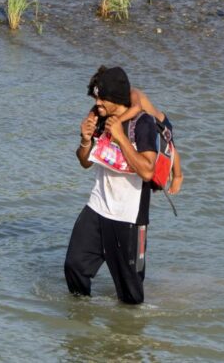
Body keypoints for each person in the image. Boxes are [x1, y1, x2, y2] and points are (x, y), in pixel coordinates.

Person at [65, 66, 157, 304]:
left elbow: (148, 171)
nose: (97, 103)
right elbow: (85, 162)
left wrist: (121, 137)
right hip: (96, 208)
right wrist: (85, 141)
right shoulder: (99, 118)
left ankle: (126, 337)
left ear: (116, 97)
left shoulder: (143, 123)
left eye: (102, 98)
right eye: (95, 97)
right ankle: (81, 324)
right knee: (74, 266)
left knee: (130, 297)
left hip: (129, 218)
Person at [86, 68, 183, 194]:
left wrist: (117, 122)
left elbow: (136, 108)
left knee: (171, 148)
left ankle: (178, 176)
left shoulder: (133, 92)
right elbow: (94, 107)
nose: (98, 101)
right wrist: (90, 117)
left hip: (161, 122)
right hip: (147, 122)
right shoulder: (111, 98)